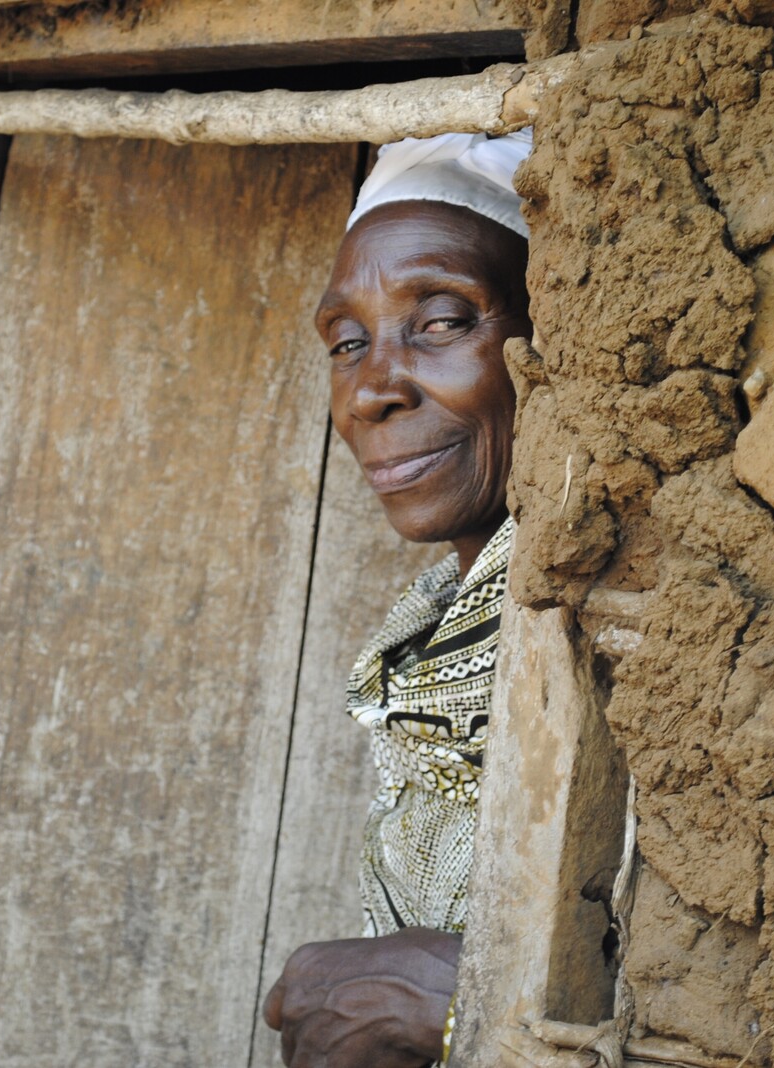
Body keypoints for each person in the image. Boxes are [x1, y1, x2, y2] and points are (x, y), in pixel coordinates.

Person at [261, 131, 534, 1068]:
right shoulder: (425, 634)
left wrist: (454, 1001)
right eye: (347, 343)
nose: (372, 388)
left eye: (444, 319)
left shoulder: (672, 634)